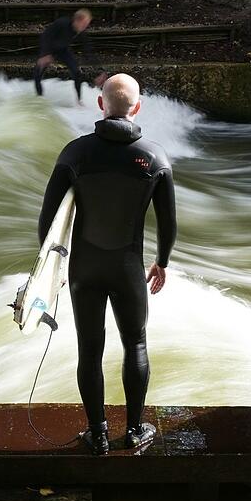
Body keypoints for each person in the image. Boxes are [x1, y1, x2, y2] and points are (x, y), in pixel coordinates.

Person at [38, 74, 176, 455]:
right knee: (136, 343)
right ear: (137, 107)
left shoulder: (75, 154)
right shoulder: (154, 158)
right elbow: (168, 223)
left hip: (85, 267)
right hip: (129, 267)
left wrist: (49, 271)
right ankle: (133, 431)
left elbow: (47, 220)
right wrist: (162, 261)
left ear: (101, 105)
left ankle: (97, 432)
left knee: (89, 349)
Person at [33, 9, 107, 104]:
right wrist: (45, 54)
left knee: (76, 72)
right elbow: (46, 36)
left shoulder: (80, 31)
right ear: (77, 20)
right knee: (37, 73)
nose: (85, 27)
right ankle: (39, 98)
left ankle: (79, 101)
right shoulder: (62, 23)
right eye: (84, 24)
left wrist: (100, 72)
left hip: (63, 50)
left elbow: (88, 51)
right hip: (49, 49)